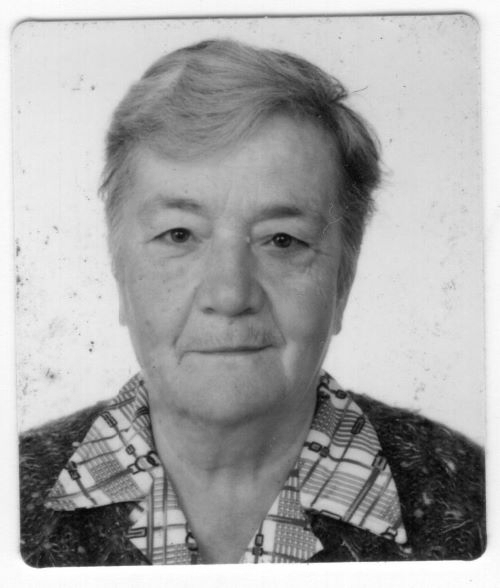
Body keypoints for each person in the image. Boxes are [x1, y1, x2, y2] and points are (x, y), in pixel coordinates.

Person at [19, 38, 485, 566]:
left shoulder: (479, 501)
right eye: (179, 235)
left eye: (281, 240)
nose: (230, 295)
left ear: (343, 279)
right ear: (119, 268)